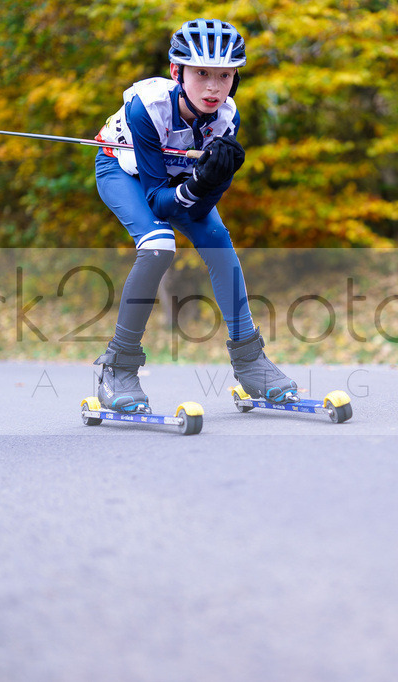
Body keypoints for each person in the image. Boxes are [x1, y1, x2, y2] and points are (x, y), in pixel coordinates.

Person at [92, 18, 297, 412]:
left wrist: (215, 181)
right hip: (124, 170)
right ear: (176, 71)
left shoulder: (226, 118)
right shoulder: (146, 107)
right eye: (201, 73)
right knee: (158, 247)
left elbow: (198, 207)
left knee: (220, 242)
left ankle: (250, 361)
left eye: (224, 75)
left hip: (176, 178)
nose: (213, 87)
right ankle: (117, 367)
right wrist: (198, 186)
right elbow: (157, 200)